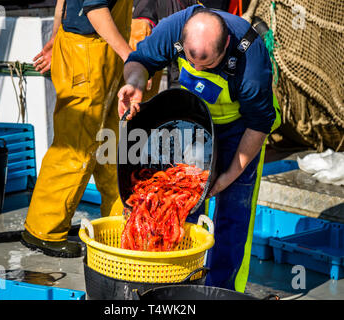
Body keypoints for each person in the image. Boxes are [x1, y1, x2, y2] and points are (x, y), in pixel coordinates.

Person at [117, 5, 281, 292]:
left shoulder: (251, 60)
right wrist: (135, 83)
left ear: (226, 45)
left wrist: (227, 177)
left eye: (209, 65)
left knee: (234, 214)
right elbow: (139, 61)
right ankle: (177, 286)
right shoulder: (175, 26)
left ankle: (224, 290)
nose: (200, 71)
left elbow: (259, 126)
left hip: (242, 128)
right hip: (194, 123)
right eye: (195, 64)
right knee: (182, 205)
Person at [20, 0, 133, 258]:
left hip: (101, 53)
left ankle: (118, 222)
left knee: (112, 145)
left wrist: (55, 36)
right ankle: (42, 230)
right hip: (88, 56)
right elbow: (95, 8)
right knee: (75, 147)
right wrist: (129, 55)